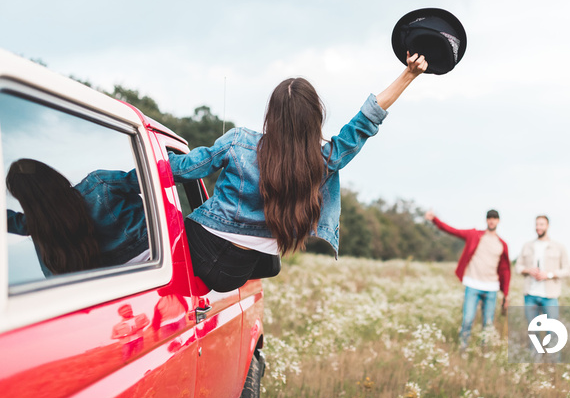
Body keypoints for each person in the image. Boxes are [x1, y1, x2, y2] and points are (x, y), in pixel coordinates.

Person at [169, 52, 428, 292]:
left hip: (204, 245)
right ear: (316, 116)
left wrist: (140, 164)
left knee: (140, 213)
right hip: (242, 268)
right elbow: (366, 120)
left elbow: (182, 169)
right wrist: (409, 74)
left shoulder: (239, 141)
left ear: (272, 113)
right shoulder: (322, 159)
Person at [6, 159, 150, 276]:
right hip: (159, 263)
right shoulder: (98, 185)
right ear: (52, 176)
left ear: (24, 200)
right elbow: (153, 173)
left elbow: (13, 221)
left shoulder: (39, 226)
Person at [425, 209, 511, 349]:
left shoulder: (502, 244)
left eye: (494, 218)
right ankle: (462, 349)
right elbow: (452, 230)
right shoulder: (474, 235)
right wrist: (435, 220)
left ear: (498, 221)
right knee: (467, 320)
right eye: (489, 218)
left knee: (488, 324)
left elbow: (505, 270)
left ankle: (485, 352)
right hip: (473, 284)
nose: (491, 220)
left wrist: (506, 294)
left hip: (491, 288)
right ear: (486, 220)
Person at [514, 215, 570, 323]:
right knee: (532, 332)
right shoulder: (527, 246)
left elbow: (568, 269)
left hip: (550, 297)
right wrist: (528, 270)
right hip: (530, 296)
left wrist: (549, 275)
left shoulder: (558, 247)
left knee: (552, 330)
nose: (538, 227)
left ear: (547, 226)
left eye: (541, 224)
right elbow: (517, 267)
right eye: (536, 224)